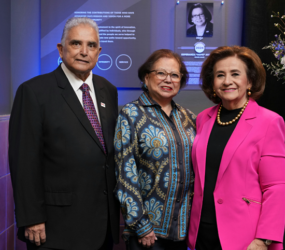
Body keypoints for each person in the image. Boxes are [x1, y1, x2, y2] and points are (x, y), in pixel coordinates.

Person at [9, 17, 119, 250]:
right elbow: (24, 161)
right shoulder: (34, 91)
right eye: (75, 43)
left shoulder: (107, 89)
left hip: (102, 224)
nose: (84, 51)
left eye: (91, 46)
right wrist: (31, 218)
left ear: (99, 52)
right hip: (56, 226)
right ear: (61, 48)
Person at [187, 46, 285, 250]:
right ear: (212, 82)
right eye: (220, 75)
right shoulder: (203, 118)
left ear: (250, 81)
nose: (227, 81)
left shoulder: (269, 122)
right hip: (201, 231)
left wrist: (263, 239)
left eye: (235, 74)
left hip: (245, 237)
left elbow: (277, 187)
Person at [114, 49, 196, 250]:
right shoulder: (130, 114)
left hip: (183, 230)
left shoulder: (189, 118)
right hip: (148, 233)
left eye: (175, 75)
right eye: (161, 73)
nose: (168, 79)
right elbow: (125, 173)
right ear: (146, 77)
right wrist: (141, 225)